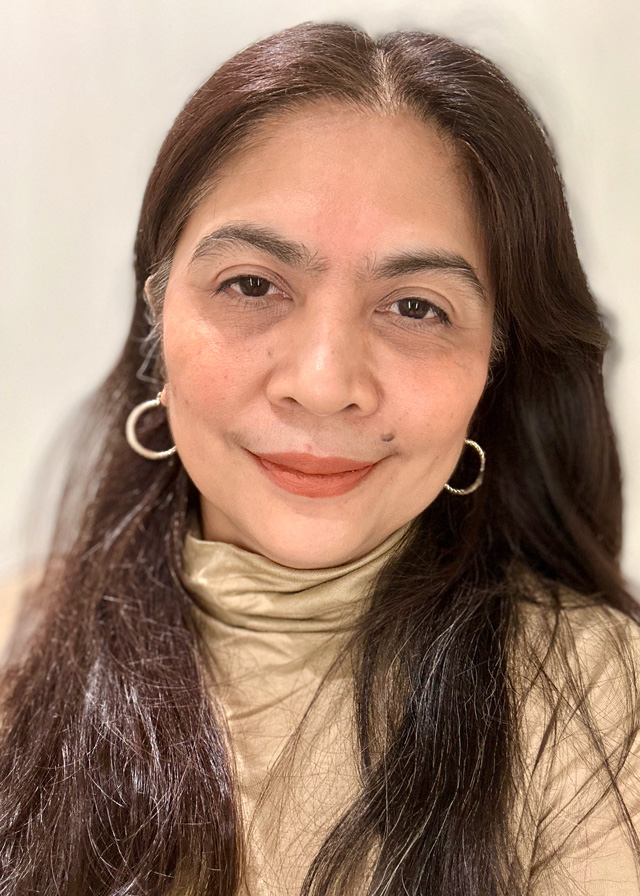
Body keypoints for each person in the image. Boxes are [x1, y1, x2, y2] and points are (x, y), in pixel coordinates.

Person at [1, 21, 639, 896]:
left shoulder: (595, 697)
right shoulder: (16, 648)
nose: (324, 382)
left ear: (495, 362)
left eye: (415, 307)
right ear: (157, 317)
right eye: (252, 285)